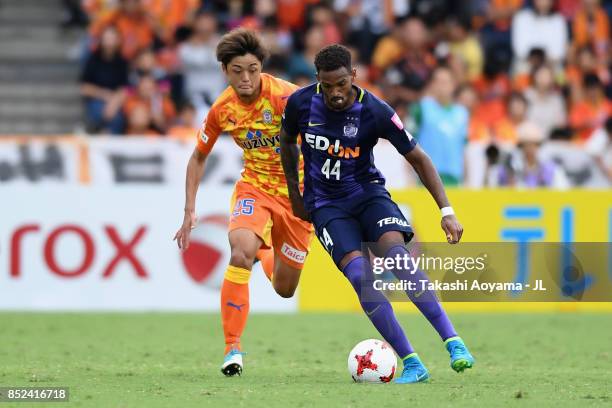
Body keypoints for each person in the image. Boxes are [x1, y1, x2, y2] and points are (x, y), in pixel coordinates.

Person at [280, 44, 474, 384]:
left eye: (341, 83)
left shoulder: (375, 111)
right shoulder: (300, 103)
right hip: (327, 206)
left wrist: (446, 211)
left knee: (398, 259)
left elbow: (419, 159)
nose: (336, 93)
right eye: (328, 86)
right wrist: (296, 195)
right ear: (317, 81)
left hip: (368, 194)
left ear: (353, 76)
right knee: (359, 277)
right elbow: (286, 142)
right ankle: (413, 363)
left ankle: (454, 342)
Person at [173, 29, 313, 377]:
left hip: (298, 197)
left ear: (261, 67)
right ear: (225, 70)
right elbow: (197, 158)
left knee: (284, 288)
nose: (246, 78)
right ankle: (232, 348)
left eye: (252, 69)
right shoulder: (222, 109)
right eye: (237, 70)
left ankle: (267, 252)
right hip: (254, 189)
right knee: (239, 252)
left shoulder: (286, 97)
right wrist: (190, 210)